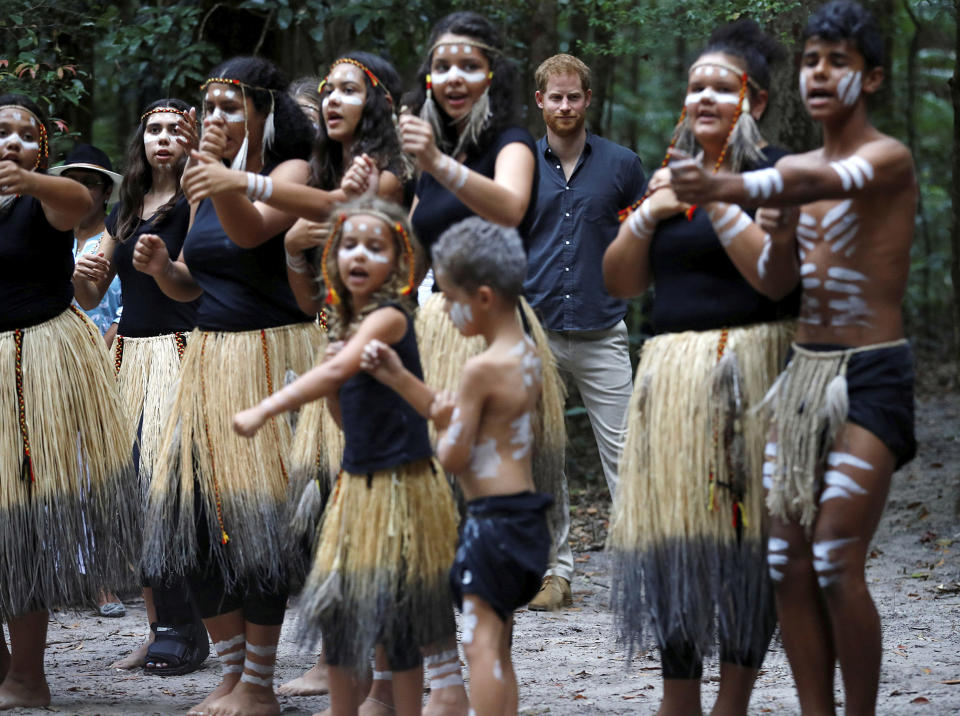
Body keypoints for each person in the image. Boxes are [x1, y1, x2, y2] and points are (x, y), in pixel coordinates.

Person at [670, 3, 917, 713]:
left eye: (836, 61)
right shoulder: (797, 172)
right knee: (786, 562)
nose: (818, 72)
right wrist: (773, 234)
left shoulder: (883, 159)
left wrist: (719, 186)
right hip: (802, 378)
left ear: (869, 78)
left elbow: (820, 185)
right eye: (810, 59)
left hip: (870, 373)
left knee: (837, 557)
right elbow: (777, 280)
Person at [603, 20, 800, 716]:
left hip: (751, 372)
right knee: (673, 541)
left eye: (724, 84)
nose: (705, 95)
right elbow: (621, 283)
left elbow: (775, 283)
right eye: (696, 85)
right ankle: (677, 700)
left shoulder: (777, 174)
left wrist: (713, 193)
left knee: (745, 542)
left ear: (759, 100)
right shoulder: (667, 175)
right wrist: (649, 212)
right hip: (669, 374)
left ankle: (732, 704)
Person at [133, 56, 318, 716]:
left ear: (264, 114)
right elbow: (196, 278)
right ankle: (233, 673)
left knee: (257, 523)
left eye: (230, 109)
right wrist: (162, 271)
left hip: (270, 359)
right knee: (195, 523)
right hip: (209, 362)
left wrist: (223, 176)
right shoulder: (202, 184)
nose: (215, 120)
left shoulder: (291, 171)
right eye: (208, 108)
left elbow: (246, 233)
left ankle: (260, 686)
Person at [233, 198, 459, 716]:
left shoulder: (388, 318)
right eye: (349, 245)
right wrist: (336, 387)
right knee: (341, 613)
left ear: (400, 264)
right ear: (332, 257)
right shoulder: (343, 324)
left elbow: (333, 376)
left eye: (374, 247)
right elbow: (343, 414)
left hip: (404, 487)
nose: (359, 255)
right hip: (358, 483)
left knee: (400, 616)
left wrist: (267, 408)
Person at [400, 16, 562, 710]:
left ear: (490, 75)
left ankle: (482, 663)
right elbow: (409, 240)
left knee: (478, 515)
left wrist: (437, 162)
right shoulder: (417, 152)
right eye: (444, 65)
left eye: (470, 65)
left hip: (489, 328)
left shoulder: (511, 142)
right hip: (434, 320)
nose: (456, 77)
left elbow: (510, 205)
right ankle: (444, 685)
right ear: (429, 77)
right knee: (432, 524)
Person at [361, 217, 553, 716]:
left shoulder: (479, 368)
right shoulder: (525, 356)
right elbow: (472, 418)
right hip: (526, 520)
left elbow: (453, 454)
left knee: (479, 645)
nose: (444, 307)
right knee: (499, 644)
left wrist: (444, 432)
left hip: (490, 525)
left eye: (450, 297)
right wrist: (402, 379)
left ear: (483, 298)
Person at [0, 95, 139, 710]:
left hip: (32, 367)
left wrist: (30, 179)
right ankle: (6, 670)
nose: (10, 142)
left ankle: (29, 678)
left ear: (44, 152)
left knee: (22, 524)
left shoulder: (47, 201)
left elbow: (81, 203)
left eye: (25, 135)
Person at [71, 99, 210, 675]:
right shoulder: (127, 207)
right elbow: (88, 296)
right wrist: (85, 276)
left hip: (182, 356)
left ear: (193, 140)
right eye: (153, 130)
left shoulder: (199, 199)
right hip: (131, 363)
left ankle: (194, 625)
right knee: (137, 494)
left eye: (176, 131)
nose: (162, 140)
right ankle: (161, 629)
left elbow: (198, 275)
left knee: (176, 494)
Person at [523, 53, 645, 611]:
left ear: (587, 99)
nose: (565, 106)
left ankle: (643, 571)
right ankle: (556, 574)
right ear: (540, 101)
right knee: (545, 457)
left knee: (626, 453)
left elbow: (644, 241)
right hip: (537, 332)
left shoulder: (623, 165)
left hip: (602, 329)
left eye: (575, 96)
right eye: (556, 97)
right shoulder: (520, 165)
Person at [52, 143, 124, 349]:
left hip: (108, 358)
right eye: (71, 181)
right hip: (52, 358)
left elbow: (130, 306)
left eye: (89, 182)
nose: (78, 189)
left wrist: (101, 355)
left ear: (107, 192)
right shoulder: (49, 237)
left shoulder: (122, 236)